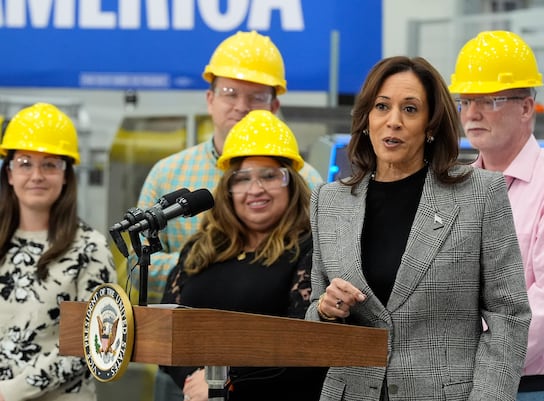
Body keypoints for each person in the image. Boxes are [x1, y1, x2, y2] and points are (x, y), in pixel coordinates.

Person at [305, 56, 532, 401]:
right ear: (367, 118)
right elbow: (315, 321)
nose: (393, 121)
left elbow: (509, 315)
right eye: (382, 107)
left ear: (430, 125)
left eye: (410, 110)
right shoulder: (328, 201)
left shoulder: (480, 194)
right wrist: (325, 310)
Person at [448, 30, 544, 400]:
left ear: (527, 107)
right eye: (466, 100)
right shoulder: (456, 184)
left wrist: (478, 366)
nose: (473, 113)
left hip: (527, 389)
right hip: (453, 383)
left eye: (490, 100)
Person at [134, 30, 323, 305]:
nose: (242, 107)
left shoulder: (306, 179)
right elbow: (137, 263)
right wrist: (208, 259)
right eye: (230, 93)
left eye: (256, 97)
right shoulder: (166, 174)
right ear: (210, 99)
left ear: (274, 105)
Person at [160, 109, 326, 401]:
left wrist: (221, 379)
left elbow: (304, 341)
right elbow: (164, 329)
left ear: (292, 184)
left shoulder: (310, 248)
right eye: (242, 178)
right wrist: (195, 380)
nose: (256, 189)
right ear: (229, 188)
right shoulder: (202, 246)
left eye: (270, 176)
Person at [0, 103, 116, 400]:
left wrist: (11, 392)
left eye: (49, 164)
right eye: (25, 163)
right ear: (9, 173)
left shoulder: (90, 247)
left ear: (66, 175)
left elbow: (94, 342)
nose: (36, 175)